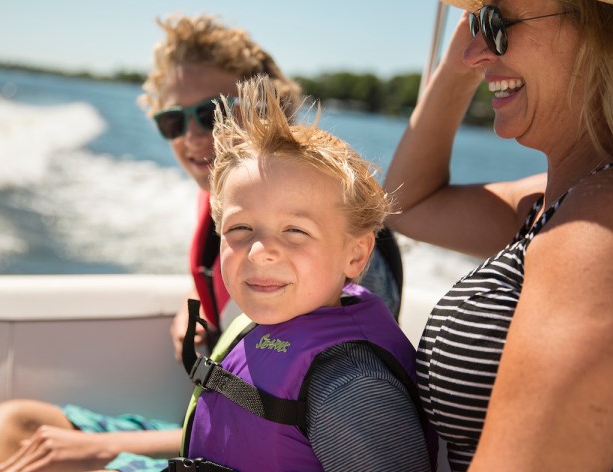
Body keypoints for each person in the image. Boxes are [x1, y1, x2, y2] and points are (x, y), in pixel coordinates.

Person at [0, 14, 404, 472]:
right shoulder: (222, 212)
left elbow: (321, 404)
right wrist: (198, 296)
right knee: (5, 426)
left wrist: (105, 449)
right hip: (213, 429)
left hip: (235, 449)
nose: (192, 134)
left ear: (267, 107)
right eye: (173, 121)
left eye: (213, 112)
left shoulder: (337, 239)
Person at [384, 0, 613, 470]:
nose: (474, 51)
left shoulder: (601, 220)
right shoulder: (552, 204)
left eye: (496, 22)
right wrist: (455, 72)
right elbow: (404, 205)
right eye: (473, 24)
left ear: (605, 33)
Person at [171, 74, 436, 471]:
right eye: (240, 230)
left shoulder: (351, 386)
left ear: (356, 254)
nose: (260, 253)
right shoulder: (254, 324)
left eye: (295, 232)